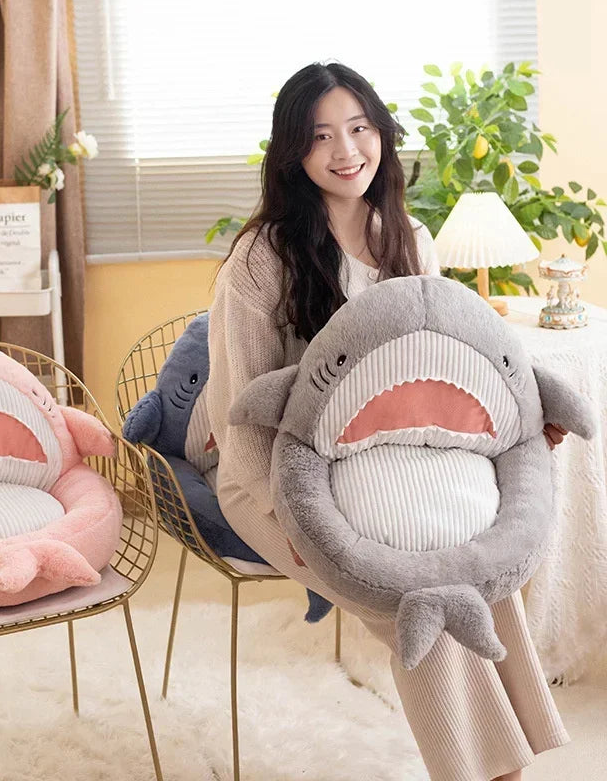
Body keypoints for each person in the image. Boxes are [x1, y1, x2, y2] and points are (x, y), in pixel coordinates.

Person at [205, 61, 569, 781]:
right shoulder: (259, 260)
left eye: (360, 128)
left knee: (478, 563)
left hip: (395, 463)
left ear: (381, 134)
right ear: (292, 153)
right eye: (320, 137)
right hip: (279, 478)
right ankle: (482, 770)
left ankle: (514, 755)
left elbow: (450, 366)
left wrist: (511, 424)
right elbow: (239, 419)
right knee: (418, 593)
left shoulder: (409, 237)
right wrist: (295, 521)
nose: (346, 151)